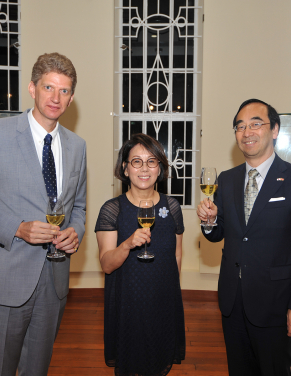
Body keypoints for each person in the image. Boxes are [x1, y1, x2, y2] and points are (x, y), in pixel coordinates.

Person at [0, 52, 86, 376]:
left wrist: (75, 231)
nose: (56, 97)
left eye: (64, 90)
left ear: (71, 97)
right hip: (4, 277)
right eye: (49, 87)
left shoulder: (76, 145)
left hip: (53, 282)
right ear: (32, 88)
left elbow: (78, 207)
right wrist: (17, 227)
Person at [197, 99, 291, 375]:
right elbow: (220, 234)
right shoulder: (227, 180)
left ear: (275, 129)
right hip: (232, 301)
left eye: (256, 123)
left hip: (276, 304)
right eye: (240, 126)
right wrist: (209, 222)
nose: (247, 132)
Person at [95, 133, 186, 376]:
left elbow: (177, 256)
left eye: (151, 161)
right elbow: (106, 264)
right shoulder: (111, 210)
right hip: (128, 306)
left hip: (163, 303)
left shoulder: (172, 207)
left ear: (160, 168)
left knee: (158, 364)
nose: (144, 168)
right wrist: (127, 245)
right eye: (136, 161)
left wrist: (171, 296)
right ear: (125, 169)